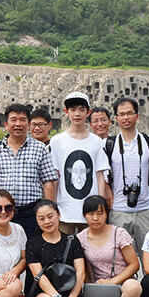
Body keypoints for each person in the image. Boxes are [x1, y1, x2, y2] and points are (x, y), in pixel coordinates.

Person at [0, 104, 58, 239]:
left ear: (28, 124)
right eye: (13, 120)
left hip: (31, 213)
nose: (18, 124)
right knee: (3, 247)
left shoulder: (39, 148)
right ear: (6, 124)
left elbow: (48, 181)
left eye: (22, 120)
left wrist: (47, 211)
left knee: (31, 247)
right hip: (2, 212)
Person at [76, 195, 142, 297]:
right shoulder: (81, 238)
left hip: (122, 282)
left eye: (100, 213)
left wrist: (112, 281)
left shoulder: (119, 233)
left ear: (107, 214)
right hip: (100, 288)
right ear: (84, 215)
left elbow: (134, 264)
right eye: (91, 214)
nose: (95, 218)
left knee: (134, 286)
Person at [26, 200, 91, 297]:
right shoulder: (33, 243)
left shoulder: (72, 240)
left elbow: (81, 272)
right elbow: (38, 275)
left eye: (50, 216)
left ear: (59, 215)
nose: (47, 221)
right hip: (45, 293)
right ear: (36, 220)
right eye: (41, 218)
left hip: (70, 291)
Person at [50, 92, 109, 234]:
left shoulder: (96, 141)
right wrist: (52, 205)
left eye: (82, 109)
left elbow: (100, 175)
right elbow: (55, 176)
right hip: (65, 210)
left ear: (88, 112)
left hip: (90, 212)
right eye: (73, 109)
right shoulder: (57, 141)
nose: (77, 114)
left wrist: (100, 206)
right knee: (63, 246)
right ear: (66, 112)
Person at [105, 97, 149, 253]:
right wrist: (108, 192)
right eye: (121, 114)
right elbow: (103, 175)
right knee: (120, 258)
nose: (126, 117)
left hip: (145, 208)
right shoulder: (108, 144)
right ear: (116, 118)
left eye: (129, 113)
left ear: (137, 116)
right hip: (118, 209)